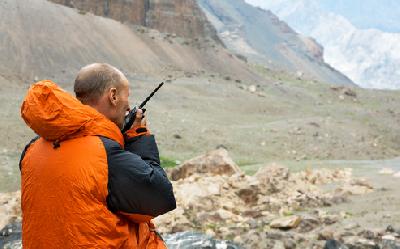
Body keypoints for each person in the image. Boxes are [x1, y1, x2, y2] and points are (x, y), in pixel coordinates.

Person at [19, 63, 176, 248]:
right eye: (127, 96)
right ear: (113, 96)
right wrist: (138, 136)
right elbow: (159, 198)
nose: (128, 107)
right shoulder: (105, 154)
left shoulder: (32, 148)